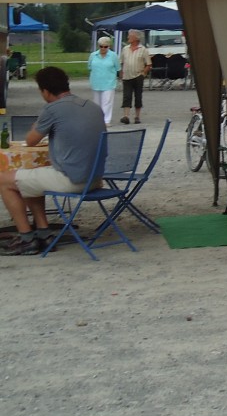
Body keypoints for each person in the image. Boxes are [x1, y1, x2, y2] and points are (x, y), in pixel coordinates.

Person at [0, 66, 105, 255]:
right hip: (95, 179)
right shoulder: (93, 107)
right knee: (31, 176)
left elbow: (31, 140)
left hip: (73, 180)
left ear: (46, 91)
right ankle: (43, 232)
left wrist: (36, 125)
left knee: (5, 180)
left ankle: (26, 238)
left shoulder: (52, 109)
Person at [119, 30, 152, 124]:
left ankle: (137, 117)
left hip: (138, 76)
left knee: (138, 96)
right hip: (127, 76)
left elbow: (148, 64)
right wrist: (121, 72)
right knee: (127, 96)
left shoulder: (143, 50)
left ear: (136, 38)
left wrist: (143, 74)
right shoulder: (125, 49)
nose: (128, 37)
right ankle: (126, 116)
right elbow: (121, 62)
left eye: (130, 36)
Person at [87, 36, 120, 125]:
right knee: (97, 104)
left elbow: (118, 68)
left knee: (107, 102)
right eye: (101, 46)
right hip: (96, 82)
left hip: (109, 82)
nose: (103, 48)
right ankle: (98, 120)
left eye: (105, 46)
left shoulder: (113, 55)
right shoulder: (93, 55)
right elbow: (89, 67)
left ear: (109, 46)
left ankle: (106, 120)